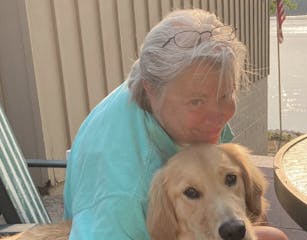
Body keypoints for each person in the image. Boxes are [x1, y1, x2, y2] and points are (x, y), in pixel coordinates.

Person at [63, 8, 288, 240]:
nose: (218, 116)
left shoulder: (177, 92)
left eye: (225, 95)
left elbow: (252, 207)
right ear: (151, 89)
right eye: (196, 102)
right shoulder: (123, 193)